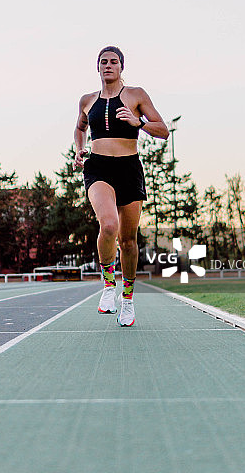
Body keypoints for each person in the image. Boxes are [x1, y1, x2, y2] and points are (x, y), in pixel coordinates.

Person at [73, 46, 169, 326]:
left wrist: (138, 122)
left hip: (129, 168)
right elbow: (79, 128)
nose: (108, 65)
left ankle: (127, 300)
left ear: (121, 67)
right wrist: (79, 150)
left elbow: (162, 130)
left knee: (128, 241)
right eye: (103, 62)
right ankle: (107, 286)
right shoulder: (87, 100)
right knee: (109, 225)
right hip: (98, 167)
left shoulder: (136, 95)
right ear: (97, 68)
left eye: (113, 62)